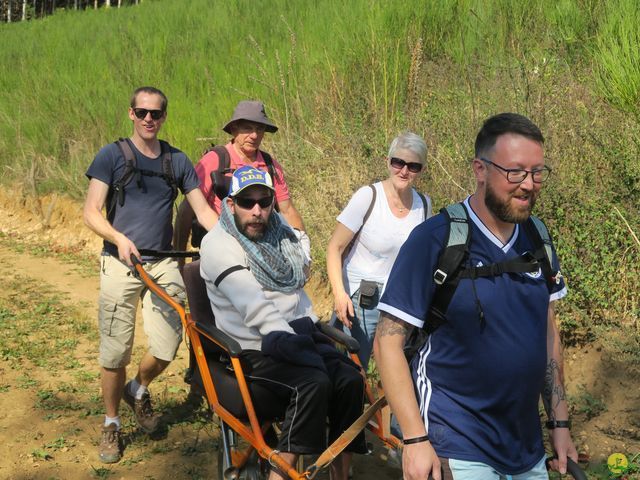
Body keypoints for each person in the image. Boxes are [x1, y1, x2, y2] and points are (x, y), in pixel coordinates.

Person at [374, 113, 578, 480]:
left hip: (526, 447)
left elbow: (546, 332)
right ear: (480, 169)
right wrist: (416, 439)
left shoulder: (538, 239)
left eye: (537, 172)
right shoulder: (435, 240)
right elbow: (388, 342)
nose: (529, 184)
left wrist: (559, 424)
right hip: (455, 442)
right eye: (515, 172)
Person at [200, 166, 366, 480]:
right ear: (231, 203)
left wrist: (312, 337)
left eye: (265, 201)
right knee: (312, 384)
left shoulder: (280, 232)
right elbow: (256, 308)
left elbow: (299, 292)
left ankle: (340, 475)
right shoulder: (218, 245)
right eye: (247, 202)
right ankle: (281, 475)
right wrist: (304, 350)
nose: (257, 211)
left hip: (299, 334)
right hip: (255, 347)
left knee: (351, 381)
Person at [83, 86, 216, 464]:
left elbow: (203, 211)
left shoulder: (177, 160)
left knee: (167, 345)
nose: (148, 119)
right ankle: (111, 423)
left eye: (155, 114)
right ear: (131, 114)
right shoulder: (112, 155)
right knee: (114, 351)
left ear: (164, 117)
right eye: (142, 112)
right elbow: (91, 211)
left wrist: (234, 239)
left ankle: (137, 389)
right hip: (119, 261)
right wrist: (118, 238)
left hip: (161, 262)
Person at [326, 132, 431, 367]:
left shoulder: (424, 204)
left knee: (395, 370)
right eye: (398, 162)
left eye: (413, 166)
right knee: (351, 370)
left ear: (421, 170)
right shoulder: (368, 197)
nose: (404, 171)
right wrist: (339, 294)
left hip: (398, 300)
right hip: (361, 298)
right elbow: (335, 247)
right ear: (388, 161)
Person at [173, 99, 306, 255]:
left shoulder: (270, 166)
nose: (254, 135)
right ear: (234, 129)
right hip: (219, 248)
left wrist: (302, 249)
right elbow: (187, 210)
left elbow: (287, 210)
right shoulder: (215, 160)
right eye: (247, 128)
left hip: (262, 248)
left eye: (259, 129)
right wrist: (179, 258)